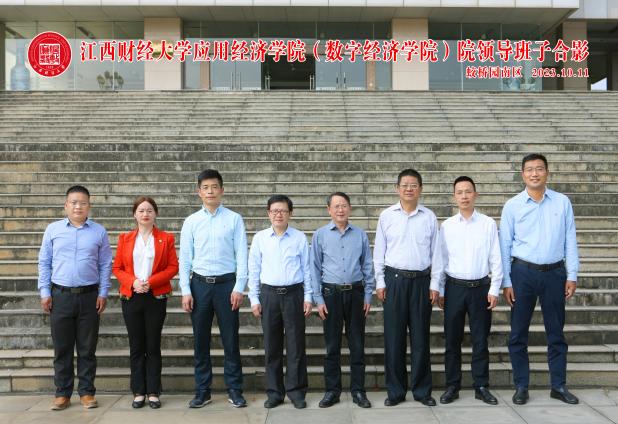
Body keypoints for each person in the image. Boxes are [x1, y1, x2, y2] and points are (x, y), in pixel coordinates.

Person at [500, 153, 579, 405]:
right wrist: (506, 281)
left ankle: (558, 385)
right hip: (522, 273)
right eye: (530, 169)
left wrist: (572, 274)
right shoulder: (512, 205)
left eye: (539, 169)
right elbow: (504, 245)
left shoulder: (562, 202)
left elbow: (570, 239)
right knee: (518, 333)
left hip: (555, 273)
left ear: (547, 172)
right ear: (522, 174)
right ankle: (521, 385)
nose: (535, 173)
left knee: (556, 333)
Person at [38, 185, 112, 411]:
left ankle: (87, 392)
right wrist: (45, 291)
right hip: (60, 296)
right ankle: (62, 393)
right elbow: (44, 262)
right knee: (62, 348)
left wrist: (103, 292)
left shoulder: (99, 232)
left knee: (87, 349)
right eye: (74, 202)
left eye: (83, 202)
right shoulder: (53, 230)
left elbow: (105, 264)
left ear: (89, 205)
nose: (78, 206)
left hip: (89, 296)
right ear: (66, 205)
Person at [429, 176, 502, 405]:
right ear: (454, 196)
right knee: (452, 340)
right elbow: (441, 260)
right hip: (454, 289)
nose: (464, 196)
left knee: (480, 340)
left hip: (481, 288)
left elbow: (496, 257)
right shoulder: (447, 226)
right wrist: (440, 289)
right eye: (459, 192)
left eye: (468, 191)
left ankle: (481, 386)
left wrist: (495, 288)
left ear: (475, 194)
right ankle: (453, 386)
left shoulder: (488, 224)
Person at [179, 169, 248, 408]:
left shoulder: (234, 219)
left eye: (214, 187)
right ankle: (202, 391)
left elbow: (242, 254)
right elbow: (185, 259)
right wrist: (185, 290)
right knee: (201, 341)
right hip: (199, 286)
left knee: (231, 340)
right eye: (206, 187)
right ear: (199, 192)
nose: (210, 191)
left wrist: (239, 287)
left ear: (222, 190)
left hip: (227, 285)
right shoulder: (191, 221)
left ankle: (235, 389)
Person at [373, 169, 438, 407]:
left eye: (413, 185)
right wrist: (380, 281)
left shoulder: (429, 217)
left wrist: (435, 284)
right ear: (397, 188)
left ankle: (422, 391)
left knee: (420, 339)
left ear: (420, 189)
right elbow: (379, 252)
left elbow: (436, 254)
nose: (409, 189)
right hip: (395, 281)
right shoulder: (386, 216)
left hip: (421, 282)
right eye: (404, 185)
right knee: (394, 339)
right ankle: (395, 391)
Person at [112, 196, 178, 409]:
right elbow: (117, 268)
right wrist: (133, 282)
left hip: (155, 297)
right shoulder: (125, 238)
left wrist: (151, 282)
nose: (145, 214)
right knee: (136, 345)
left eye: (149, 210)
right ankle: (138, 391)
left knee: (153, 345)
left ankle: (153, 391)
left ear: (155, 213)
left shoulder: (166, 238)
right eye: (141, 210)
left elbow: (172, 267)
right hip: (132, 296)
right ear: (134, 214)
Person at [248, 195, 313, 409]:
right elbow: (254, 270)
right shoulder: (260, 238)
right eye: (274, 211)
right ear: (268, 213)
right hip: (269, 295)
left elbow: (307, 269)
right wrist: (254, 298)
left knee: (296, 346)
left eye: (283, 211)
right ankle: (275, 393)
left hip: (294, 294)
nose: (278, 214)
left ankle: (296, 392)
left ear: (290, 213)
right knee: (272, 346)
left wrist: (308, 296)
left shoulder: (299, 238)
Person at [311, 192, 375, 409]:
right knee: (332, 346)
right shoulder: (320, 235)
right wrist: (318, 298)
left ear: (350, 208)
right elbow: (314, 268)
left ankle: (358, 391)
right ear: (329, 210)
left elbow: (367, 265)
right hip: (331, 295)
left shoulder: (360, 234)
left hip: (356, 293)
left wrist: (368, 294)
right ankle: (332, 391)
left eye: (344, 205)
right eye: (336, 206)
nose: (340, 210)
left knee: (357, 344)